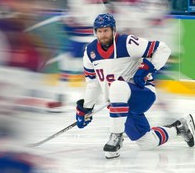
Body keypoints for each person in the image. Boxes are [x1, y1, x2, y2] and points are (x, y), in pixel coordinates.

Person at [75, 13, 195, 159]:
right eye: (99, 31)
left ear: (113, 30)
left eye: (106, 30)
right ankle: (180, 127)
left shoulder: (127, 42)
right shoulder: (90, 52)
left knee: (117, 86)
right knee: (147, 143)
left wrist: (147, 67)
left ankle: (116, 137)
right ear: (95, 32)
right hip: (120, 106)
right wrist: (86, 108)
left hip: (142, 93)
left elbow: (163, 49)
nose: (103, 34)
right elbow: (93, 83)